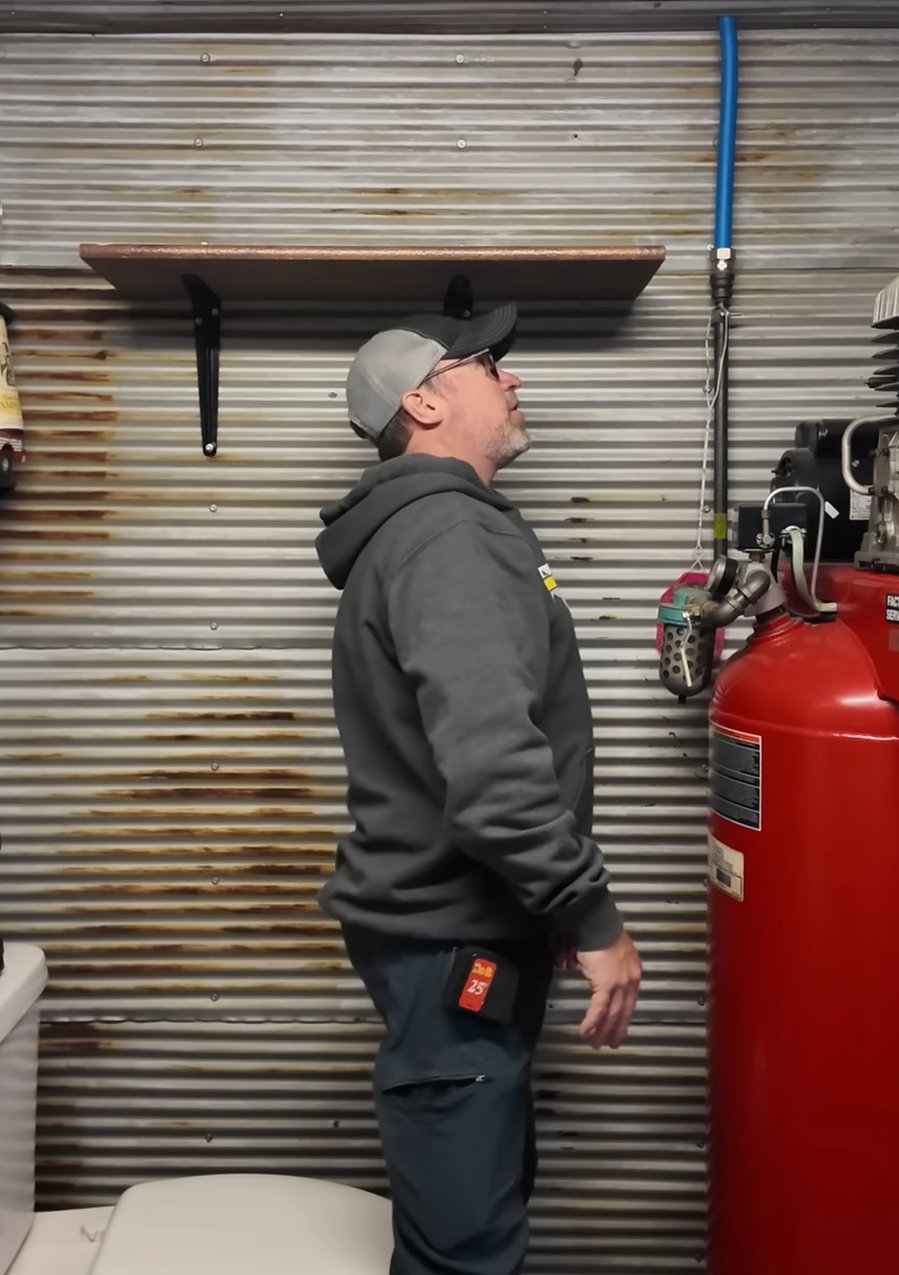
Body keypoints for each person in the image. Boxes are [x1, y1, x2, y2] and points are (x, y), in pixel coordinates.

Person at [315, 304, 643, 1275]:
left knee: (474, 1198)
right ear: (421, 401)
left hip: (449, 930)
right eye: (483, 364)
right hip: (450, 936)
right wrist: (592, 922)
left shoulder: (428, 533)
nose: (511, 379)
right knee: (464, 1247)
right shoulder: (449, 538)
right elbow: (495, 774)